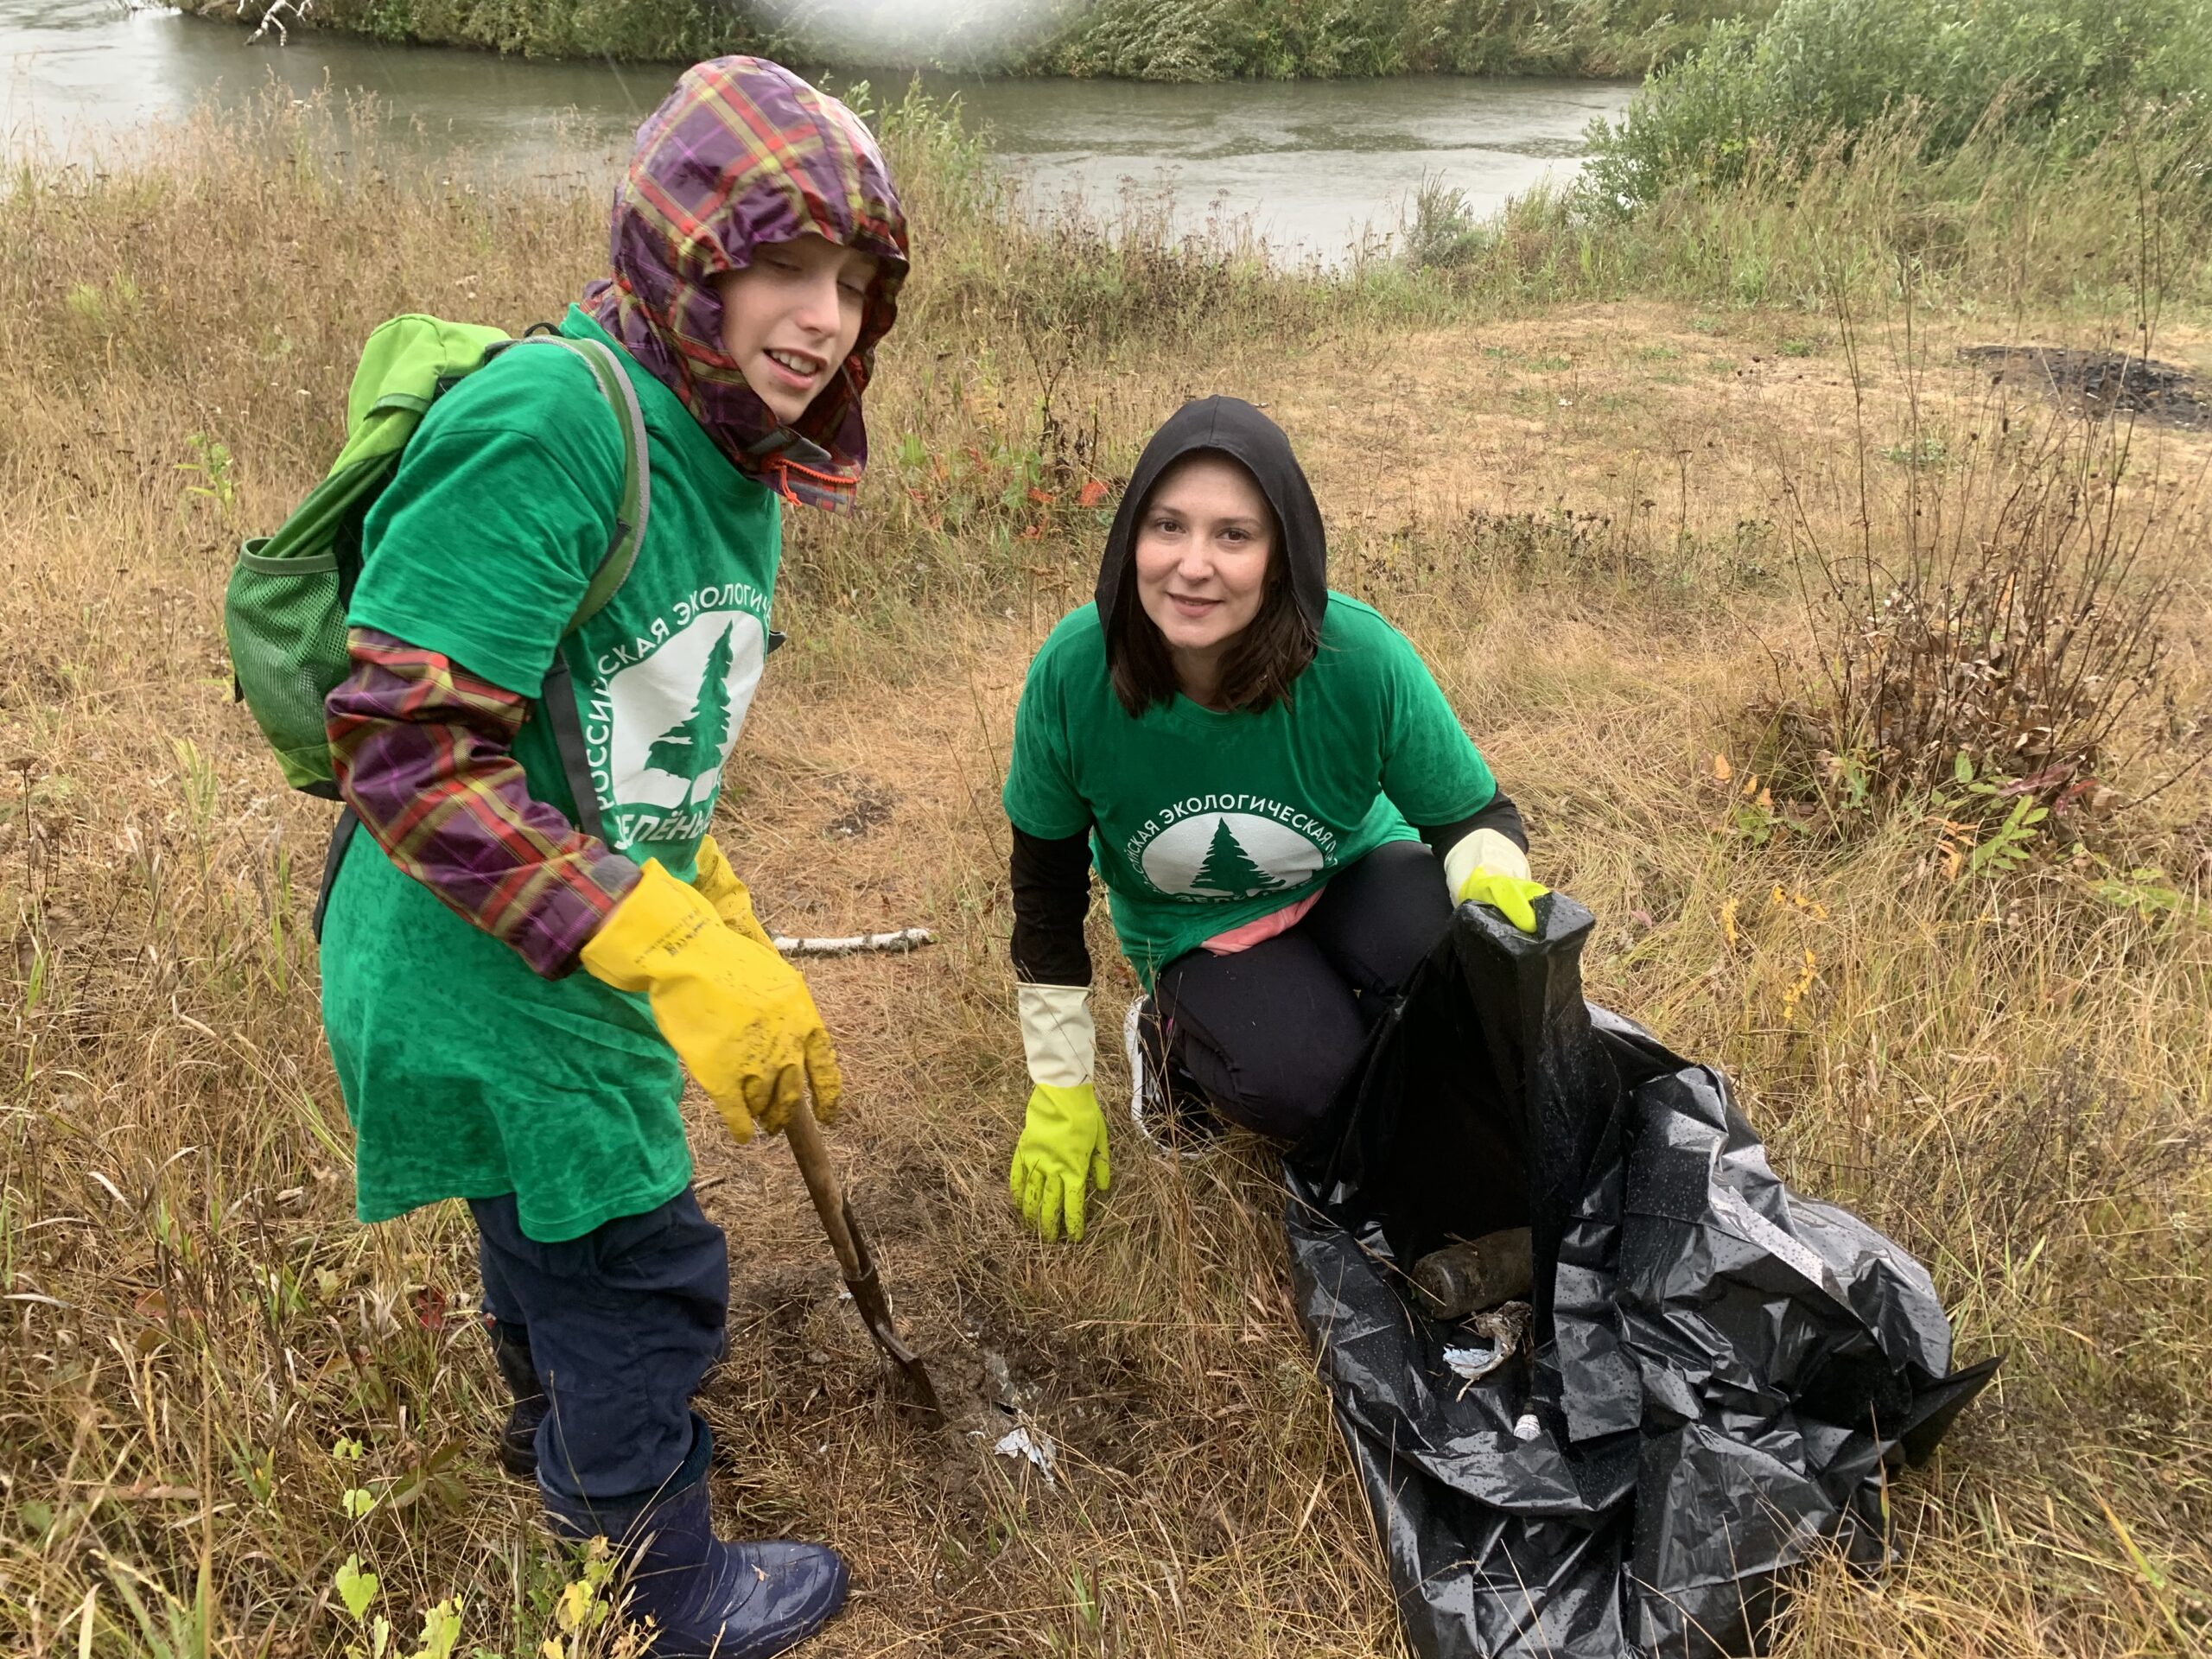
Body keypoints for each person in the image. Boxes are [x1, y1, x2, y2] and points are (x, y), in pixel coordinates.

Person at [315, 60, 906, 1656]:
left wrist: (708, 899)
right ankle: (660, 1589)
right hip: (483, 951)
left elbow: (627, 724)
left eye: (851, 282)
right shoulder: (557, 422)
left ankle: (554, 1442)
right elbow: (404, 748)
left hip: (548, 925)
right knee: (638, 1265)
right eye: (781, 266)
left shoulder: (740, 450)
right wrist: (662, 943)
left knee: (541, 1231)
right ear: (686, 251)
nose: (821, 318)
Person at [1001, 397, 1548, 1243]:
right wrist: (1060, 1084)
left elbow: (1473, 813)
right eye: (1167, 527)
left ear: (1280, 553)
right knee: (1308, 1087)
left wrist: (1486, 870)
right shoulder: (1074, 676)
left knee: (1455, 998)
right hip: (1197, 930)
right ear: (1128, 541)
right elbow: (1043, 894)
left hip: (1350, 873)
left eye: (1233, 535)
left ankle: (1343, 1003)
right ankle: (1165, 1041)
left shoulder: (1355, 658)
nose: (1192, 565)